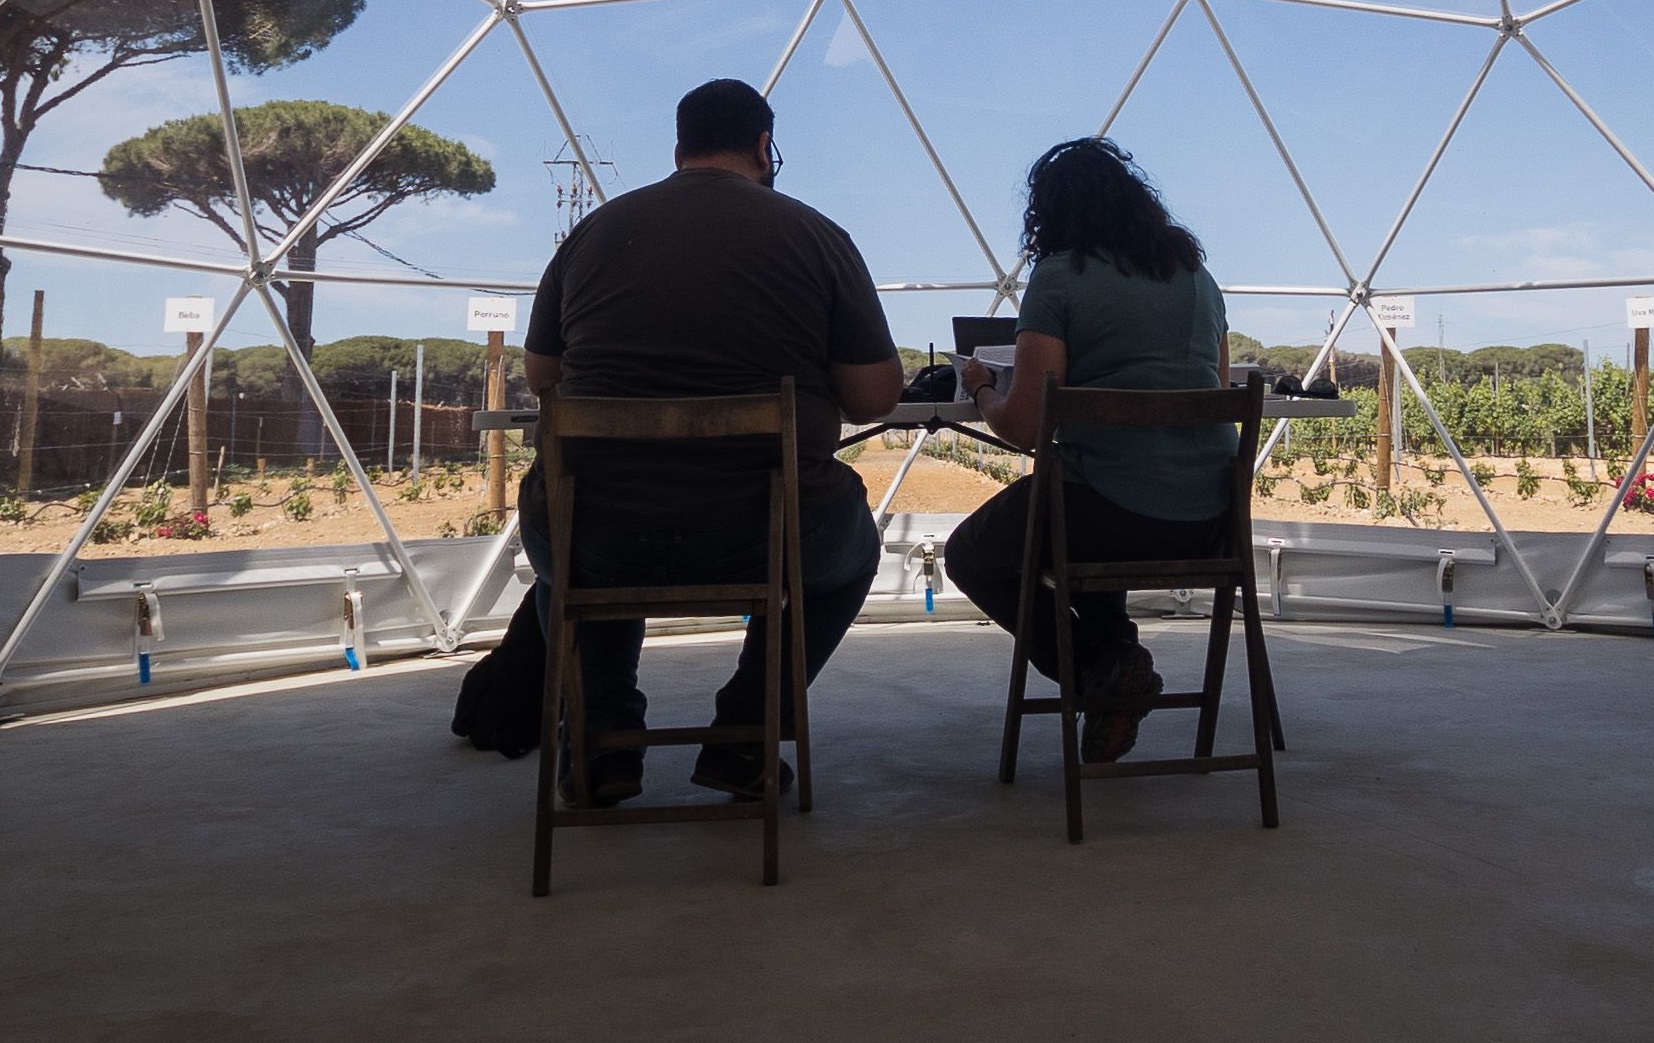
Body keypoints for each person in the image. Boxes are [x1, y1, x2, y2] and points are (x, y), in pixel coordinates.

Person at [519, 78, 902, 805]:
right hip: (763, 533)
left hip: (598, 531)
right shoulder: (816, 235)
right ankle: (745, 734)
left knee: (567, 567)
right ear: (765, 147)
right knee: (850, 548)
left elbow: (543, 373)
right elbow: (874, 396)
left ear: (677, 149)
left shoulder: (594, 233)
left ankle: (601, 745)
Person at [942, 138, 1237, 765]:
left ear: (1050, 215)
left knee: (972, 553)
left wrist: (983, 388)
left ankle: (1102, 676)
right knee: (1081, 502)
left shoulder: (1060, 277)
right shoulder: (1198, 279)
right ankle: (1116, 667)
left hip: (1108, 518)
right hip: (1210, 525)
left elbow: (1023, 428)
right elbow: (1213, 385)